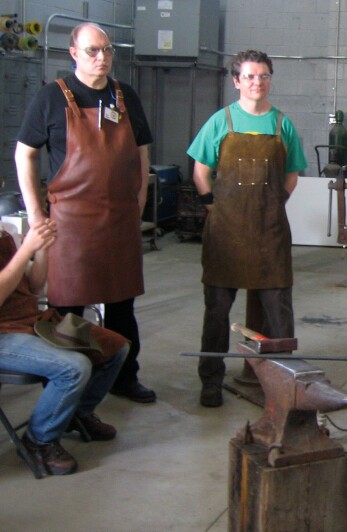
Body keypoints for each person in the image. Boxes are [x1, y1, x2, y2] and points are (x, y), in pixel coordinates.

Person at [15, 22, 156, 403]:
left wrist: (139, 198)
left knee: (122, 306)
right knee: (68, 310)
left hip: (120, 219)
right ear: (73, 54)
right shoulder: (51, 98)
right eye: (93, 51)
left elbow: (142, 152)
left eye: (107, 50)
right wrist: (35, 213)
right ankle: (66, 386)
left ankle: (126, 377)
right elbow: (24, 152)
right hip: (72, 224)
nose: (102, 58)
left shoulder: (125, 97)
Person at [186, 50, 307, 407]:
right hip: (226, 234)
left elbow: (292, 174)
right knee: (217, 312)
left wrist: (272, 205)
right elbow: (200, 171)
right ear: (237, 81)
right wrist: (212, 205)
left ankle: (284, 381)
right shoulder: (219, 122)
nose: (258, 82)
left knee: (278, 312)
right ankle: (210, 380)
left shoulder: (282, 123)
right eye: (250, 76)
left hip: (269, 232)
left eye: (264, 76)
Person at [0, 220, 128, 476]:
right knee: (73, 368)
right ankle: (39, 441)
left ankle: (76, 414)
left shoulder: (5, 231)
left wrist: (42, 249)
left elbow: (33, 288)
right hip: (3, 333)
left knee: (114, 348)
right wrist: (26, 250)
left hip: (29, 320)